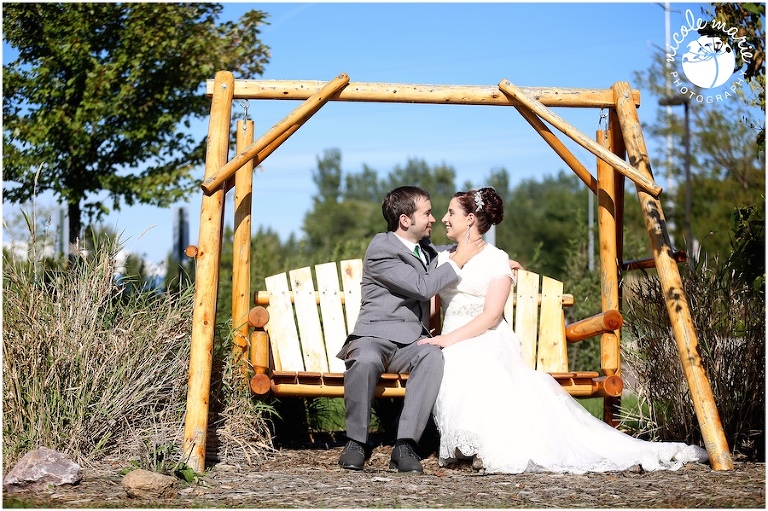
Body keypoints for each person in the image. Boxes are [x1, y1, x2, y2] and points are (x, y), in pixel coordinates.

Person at [418, 187, 709, 474]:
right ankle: (469, 444)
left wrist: (446, 339)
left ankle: (485, 445)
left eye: (451, 213)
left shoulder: (496, 260)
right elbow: (429, 302)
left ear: (470, 219)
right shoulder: (443, 259)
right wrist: (436, 338)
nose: (444, 218)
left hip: (486, 337)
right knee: (453, 361)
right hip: (451, 339)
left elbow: (491, 316)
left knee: (475, 362)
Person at [336, 185, 485, 473]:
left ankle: (405, 444)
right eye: (427, 213)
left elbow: (450, 254)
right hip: (374, 336)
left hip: (410, 343)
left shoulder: (426, 250)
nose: (433, 219)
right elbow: (422, 287)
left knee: (432, 356)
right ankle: (355, 441)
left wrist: (493, 259)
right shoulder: (381, 248)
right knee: (364, 359)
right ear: (405, 220)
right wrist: (459, 259)